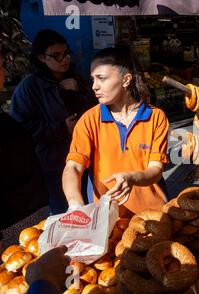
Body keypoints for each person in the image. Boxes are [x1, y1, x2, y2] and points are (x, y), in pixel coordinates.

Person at [62, 45, 169, 217]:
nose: (94, 87)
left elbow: (155, 170)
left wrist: (132, 178)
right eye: (93, 79)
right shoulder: (89, 119)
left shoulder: (155, 117)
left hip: (154, 215)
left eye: (101, 78)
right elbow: (73, 166)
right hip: (108, 219)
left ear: (126, 80)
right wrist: (75, 204)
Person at [10, 29, 96, 215]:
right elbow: (21, 128)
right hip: (53, 163)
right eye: (56, 56)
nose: (64, 59)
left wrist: (80, 90)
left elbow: (95, 108)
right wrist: (61, 128)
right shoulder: (29, 87)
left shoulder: (76, 78)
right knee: (64, 214)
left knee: (89, 210)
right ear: (42, 58)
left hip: (84, 157)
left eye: (66, 53)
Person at [0, 46, 48, 251]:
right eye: (2, 66)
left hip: (24, 211)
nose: (5, 73)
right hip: (12, 220)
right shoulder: (28, 89)